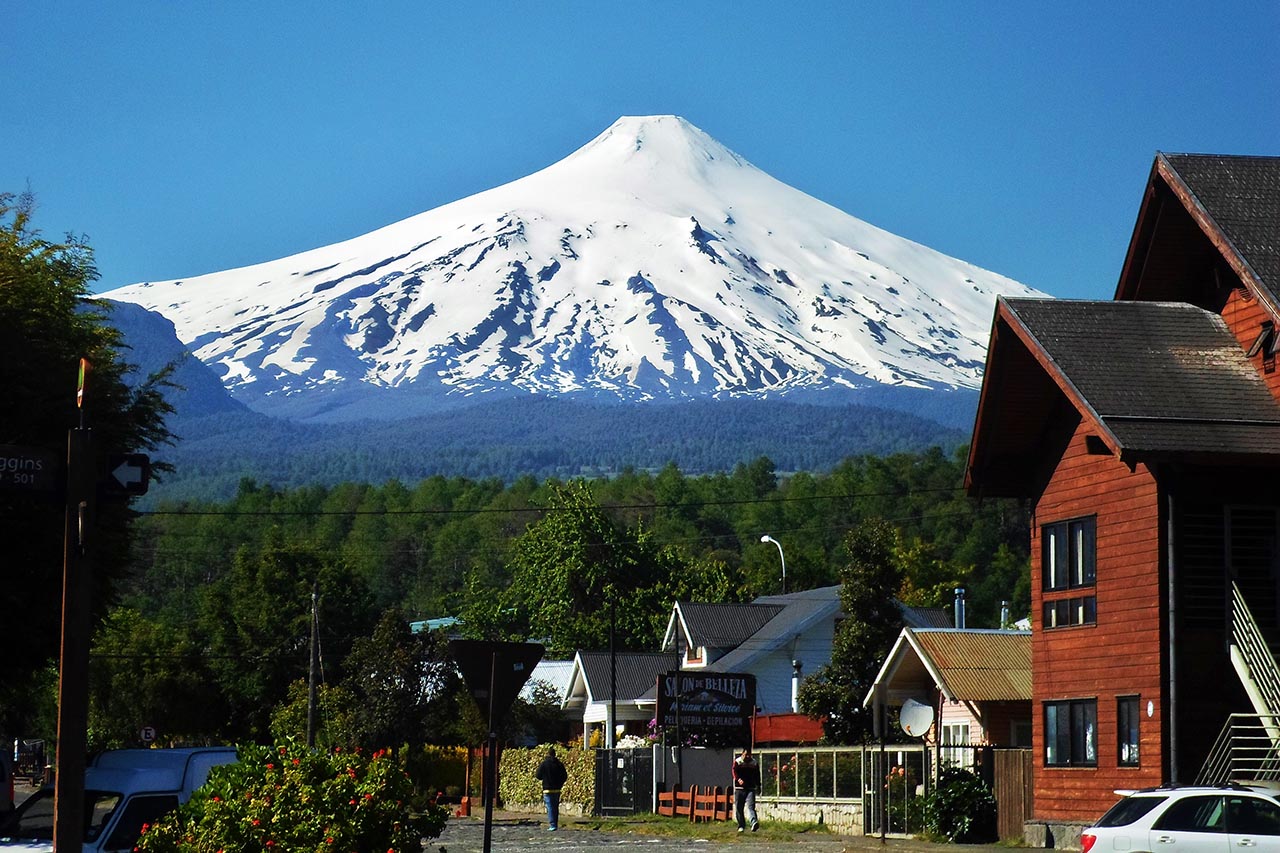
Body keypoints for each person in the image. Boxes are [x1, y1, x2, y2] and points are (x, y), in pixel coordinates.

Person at [534, 746, 568, 831]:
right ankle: (555, 823)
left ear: (548, 754)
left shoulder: (544, 764)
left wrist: (544, 778)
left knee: (550, 807)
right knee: (555, 807)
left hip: (547, 788)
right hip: (557, 789)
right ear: (555, 754)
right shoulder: (559, 764)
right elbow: (564, 776)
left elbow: (538, 775)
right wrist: (560, 783)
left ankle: (552, 824)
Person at [731, 745, 760, 832]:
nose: (747, 756)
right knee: (739, 807)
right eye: (746, 754)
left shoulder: (754, 763)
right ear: (742, 754)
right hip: (739, 788)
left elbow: (757, 775)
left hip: (750, 788)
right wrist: (738, 779)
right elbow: (734, 771)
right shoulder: (738, 762)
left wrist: (758, 785)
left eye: (749, 755)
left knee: (751, 806)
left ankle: (754, 822)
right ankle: (741, 825)